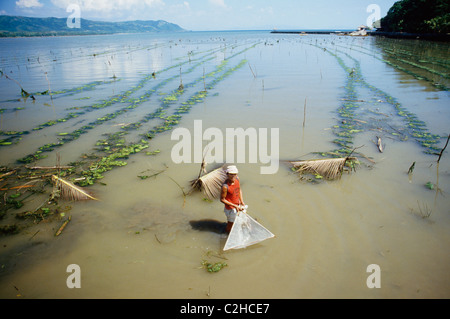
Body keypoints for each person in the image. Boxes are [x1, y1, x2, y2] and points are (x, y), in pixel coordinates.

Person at [220, 165, 246, 234]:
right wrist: (235, 206)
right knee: (230, 225)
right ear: (227, 174)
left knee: (239, 221)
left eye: (235, 174)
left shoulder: (237, 179)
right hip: (230, 209)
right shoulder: (225, 186)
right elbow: (222, 199)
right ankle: (226, 235)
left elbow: (239, 189)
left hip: (238, 205)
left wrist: (242, 201)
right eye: (231, 174)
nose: (233, 176)